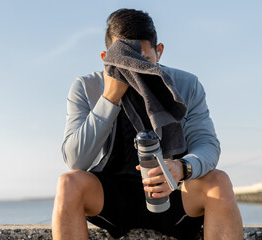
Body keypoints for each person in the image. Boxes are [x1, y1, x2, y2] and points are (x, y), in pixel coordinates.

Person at [52, 8, 243, 240]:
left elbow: (207, 144)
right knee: (68, 184)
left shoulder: (187, 84)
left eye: (144, 61)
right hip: (113, 196)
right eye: (125, 63)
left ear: (159, 52)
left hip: (174, 192)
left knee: (219, 181)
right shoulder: (85, 86)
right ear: (105, 59)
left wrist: (182, 168)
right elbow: (75, 160)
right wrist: (109, 97)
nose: (136, 72)